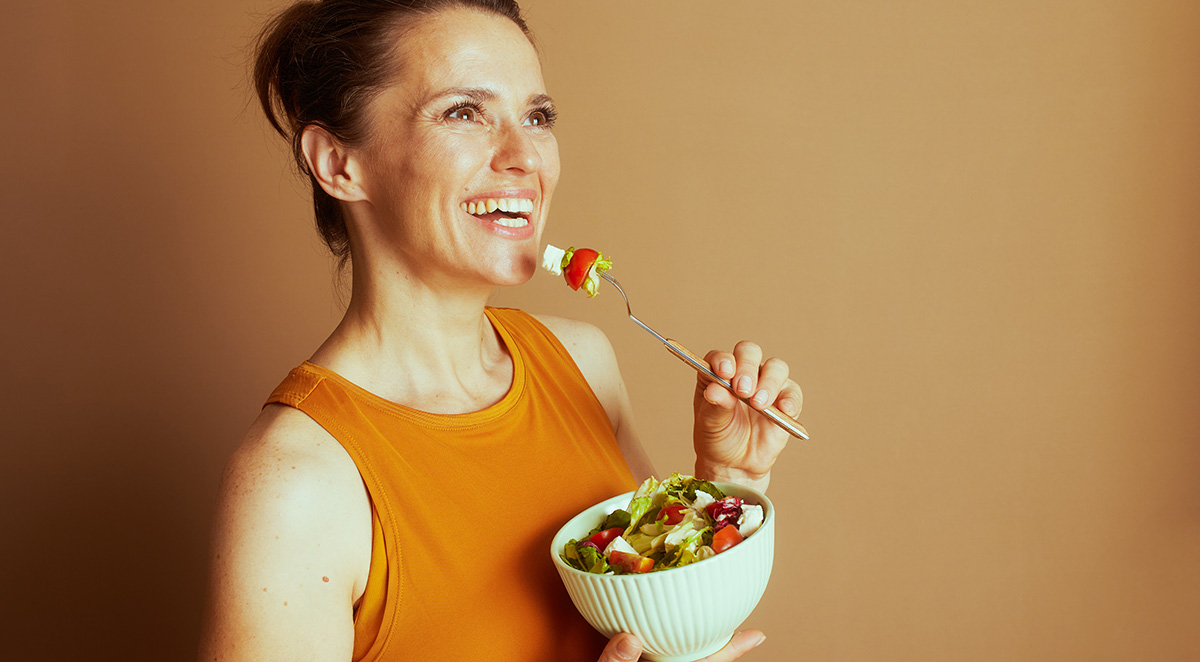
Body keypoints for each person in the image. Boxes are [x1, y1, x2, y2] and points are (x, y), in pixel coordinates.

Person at [199, 1, 803, 660]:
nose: (525, 156)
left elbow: (664, 623)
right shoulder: (295, 482)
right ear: (340, 164)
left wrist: (730, 485)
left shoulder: (582, 362)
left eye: (537, 118)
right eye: (463, 112)